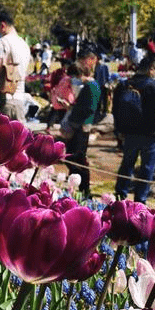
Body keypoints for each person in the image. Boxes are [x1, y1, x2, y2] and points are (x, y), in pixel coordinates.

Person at [114, 55, 155, 204]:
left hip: (129, 133)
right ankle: (140, 201)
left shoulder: (124, 85)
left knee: (127, 164)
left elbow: (115, 110)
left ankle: (119, 196)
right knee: (147, 168)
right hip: (151, 135)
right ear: (151, 70)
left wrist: (119, 131)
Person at [61, 47, 100, 199]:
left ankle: (84, 189)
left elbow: (88, 108)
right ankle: (77, 186)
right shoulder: (90, 86)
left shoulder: (91, 86)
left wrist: (73, 118)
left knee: (77, 159)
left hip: (81, 127)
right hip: (79, 124)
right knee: (74, 157)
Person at [0, 9, 32, 121]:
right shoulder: (24, 44)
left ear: (2, 25)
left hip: (5, 99)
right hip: (20, 98)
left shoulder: (2, 42)